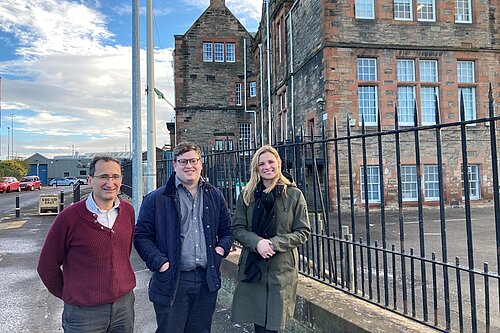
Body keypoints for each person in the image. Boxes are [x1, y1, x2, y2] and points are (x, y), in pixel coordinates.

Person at [134, 141, 232, 333]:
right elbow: (141, 236)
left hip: (206, 280)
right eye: (183, 161)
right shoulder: (157, 198)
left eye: (193, 160)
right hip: (173, 280)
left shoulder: (214, 195)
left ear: (201, 163)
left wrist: (219, 251)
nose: (189, 166)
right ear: (175, 165)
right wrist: (161, 263)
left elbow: (227, 231)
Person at [37, 155, 136, 333]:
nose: (110, 182)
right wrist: (71, 295)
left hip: (124, 307)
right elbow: (46, 266)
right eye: (103, 177)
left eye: (115, 177)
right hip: (83, 314)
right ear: (90, 180)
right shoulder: (69, 218)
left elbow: (123, 252)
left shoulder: (128, 211)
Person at [231, 145, 311, 333]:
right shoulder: (247, 195)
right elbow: (237, 228)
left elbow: (303, 231)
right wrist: (256, 242)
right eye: (261, 164)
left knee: (274, 326)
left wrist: (274, 244)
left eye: (270, 162)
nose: (267, 167)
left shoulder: (293, 195)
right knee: (259, 324)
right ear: (256, 168)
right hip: (254, 268)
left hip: (280, 270)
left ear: (278, 164)